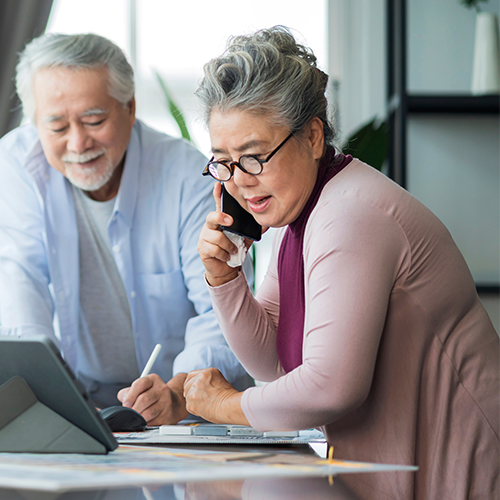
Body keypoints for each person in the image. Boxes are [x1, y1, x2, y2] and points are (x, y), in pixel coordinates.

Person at [183, 26, 500, 499]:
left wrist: (224, 403)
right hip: (389, 475)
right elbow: (273, 365)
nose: (240, 183)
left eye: (253, 158)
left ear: (312, 136)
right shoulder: (304, 216)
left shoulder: (350, 214)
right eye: (223, 162)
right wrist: (225, 279)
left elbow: (330, 387)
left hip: (459, 482)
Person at [0, 33, 251, 424]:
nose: (78, 143)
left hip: (180, 408)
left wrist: (178, 392)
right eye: (56, 127)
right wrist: (46, 391)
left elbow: (222, 311)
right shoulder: (16, 166)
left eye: (94, 120)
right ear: (35, 124)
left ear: (130, 107)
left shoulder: (186, 177)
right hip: (77, 405)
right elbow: (20, 282)